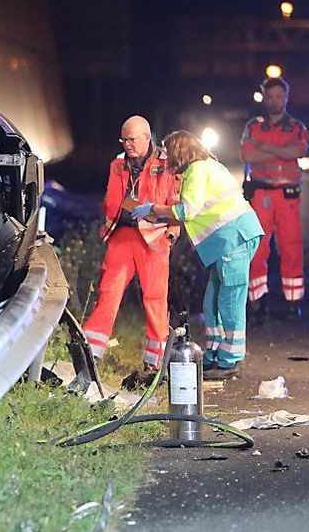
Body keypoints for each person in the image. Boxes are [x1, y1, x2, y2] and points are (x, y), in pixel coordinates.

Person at [133, 130, 263, 380]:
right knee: (212, 300)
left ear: (179, 151)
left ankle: (230, 361)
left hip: (233, 239)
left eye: (168, 151)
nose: (166, 157)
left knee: (229, 300)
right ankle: (214, 354)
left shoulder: (198, 171)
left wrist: (154, 209)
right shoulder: (207, 167)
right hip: (231, 239)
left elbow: (188, 211)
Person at [83, 115, 182, 385]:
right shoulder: (117, 164)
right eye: (124, 139)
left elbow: (175, 202)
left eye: (132, 139)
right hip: (122, 237)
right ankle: (90, 354)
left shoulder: (167, 163)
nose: (127, 144)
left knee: (155, 299)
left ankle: (155, 363)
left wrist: (172, 234)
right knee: (108, 293)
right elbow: (113, 202)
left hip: (154, 239)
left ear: (147, 137)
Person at [240, 76, 309, 321]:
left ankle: (293, 303)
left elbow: (299, 151)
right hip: (261, 194)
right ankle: (258, 301)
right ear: (264, 99)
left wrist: (265, 148)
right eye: (270, 96)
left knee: (292, 247)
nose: (274, 101)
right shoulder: (253, 126)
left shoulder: (297, 126)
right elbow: (248, 153)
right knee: (257, 248)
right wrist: (282, 152)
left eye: (279, 96)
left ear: (286, 98)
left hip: (288, 196)